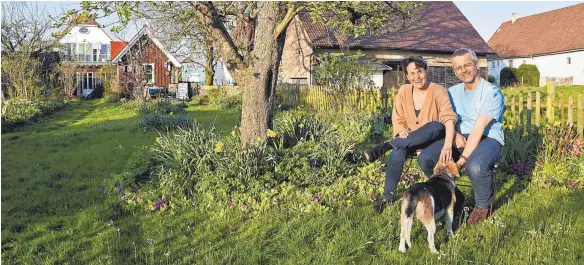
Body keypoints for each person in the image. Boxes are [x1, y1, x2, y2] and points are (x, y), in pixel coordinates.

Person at [417, 48, 505, 225]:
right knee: (426, 158)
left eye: (467, 65)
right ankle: (454, 195)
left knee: (475, 166)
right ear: (455, 72)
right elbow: (447, 119)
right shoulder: (452, 92)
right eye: (458, 68)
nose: (463, 70)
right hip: (460, 136)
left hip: (488, 138)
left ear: (476, 65)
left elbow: (479, 127)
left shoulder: (491, 92)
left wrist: (462, 159)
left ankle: (482, 205)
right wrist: (455, 134)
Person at [364, 55, 458, 213]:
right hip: (409, 140)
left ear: (425, 71)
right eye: (412, 74)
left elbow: (449, 119)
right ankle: (387, 198)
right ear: (407, 76)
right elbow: (398, 116)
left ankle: (384, 146)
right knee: (398, 151)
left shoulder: (439, 91)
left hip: (433, 140)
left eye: (419, 72)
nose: (417, 77)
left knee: (435, 125)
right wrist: (400, 129)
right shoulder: (404, 91)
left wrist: (448, 145)